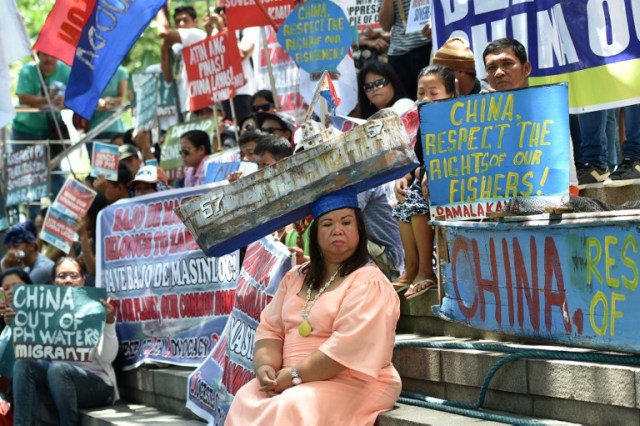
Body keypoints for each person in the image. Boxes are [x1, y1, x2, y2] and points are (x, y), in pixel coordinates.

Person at [225, 188, 401, 425]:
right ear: (315, 234)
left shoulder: (370, 281)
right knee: (246, 397)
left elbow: (347, 347)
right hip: (291, 378)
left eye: (347, 222)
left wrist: (296, 375)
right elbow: (271, 329)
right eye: (327, 224)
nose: (337, 230)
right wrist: (265, 365)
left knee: (292, 405)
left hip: (351, 380)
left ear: (359, 230)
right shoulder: (295, 277)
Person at [12, 257, 118, 426]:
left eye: (74, 275)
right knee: (23, 364)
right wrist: (16, 324)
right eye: (62, 276)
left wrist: (109, 323)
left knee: (58, 368)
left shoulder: (97, 308)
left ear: (83, 280)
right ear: (53, 281)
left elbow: (107, 358)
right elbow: (28, 351)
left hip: (97, 385)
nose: (68, 280)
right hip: (57, 383)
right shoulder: (44, 311)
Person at [482, 38, 579, 194]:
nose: (498, 73)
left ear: (526, 68)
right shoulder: (478, 116)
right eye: (491, 68)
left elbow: (566, 180)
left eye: (507, 64)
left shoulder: (549, 111)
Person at [393, 65, 456, 298]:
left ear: (450, 94)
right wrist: (405, 176)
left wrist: (431, 171)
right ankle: (410, 270)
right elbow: (416, 161)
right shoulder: (423, 124)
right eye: (421, 93)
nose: (426, 98)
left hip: (451, 185)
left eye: (434, 92)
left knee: (417, 203)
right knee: (403, 204)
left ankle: (425, 271)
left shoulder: (456, 120)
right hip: (424, 181)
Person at [157, 5, 207, 116]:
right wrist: (164, 50)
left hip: (201, 106)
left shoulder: (197, 35)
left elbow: (164, 32)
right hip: (184, 105)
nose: (181, 24)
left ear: (195, 22)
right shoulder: (177, 48)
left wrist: (159, 8)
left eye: (185, 20)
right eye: (178, 21)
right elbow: (168, 78)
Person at [11, 52, 70, 141]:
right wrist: (48, 100)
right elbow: (23, 99)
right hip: (25, 131)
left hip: (53, 131)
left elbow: (76, 96)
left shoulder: (65, 70)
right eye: (45, 54)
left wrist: (64, 101)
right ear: (38, 55)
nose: (49, 59)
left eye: (53, 55)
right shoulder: (28, 70)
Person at [379, 0, 431, 98]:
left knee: (434, 97)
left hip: (430, 45)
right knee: (407, 105)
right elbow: (385, 26)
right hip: (400, 54)